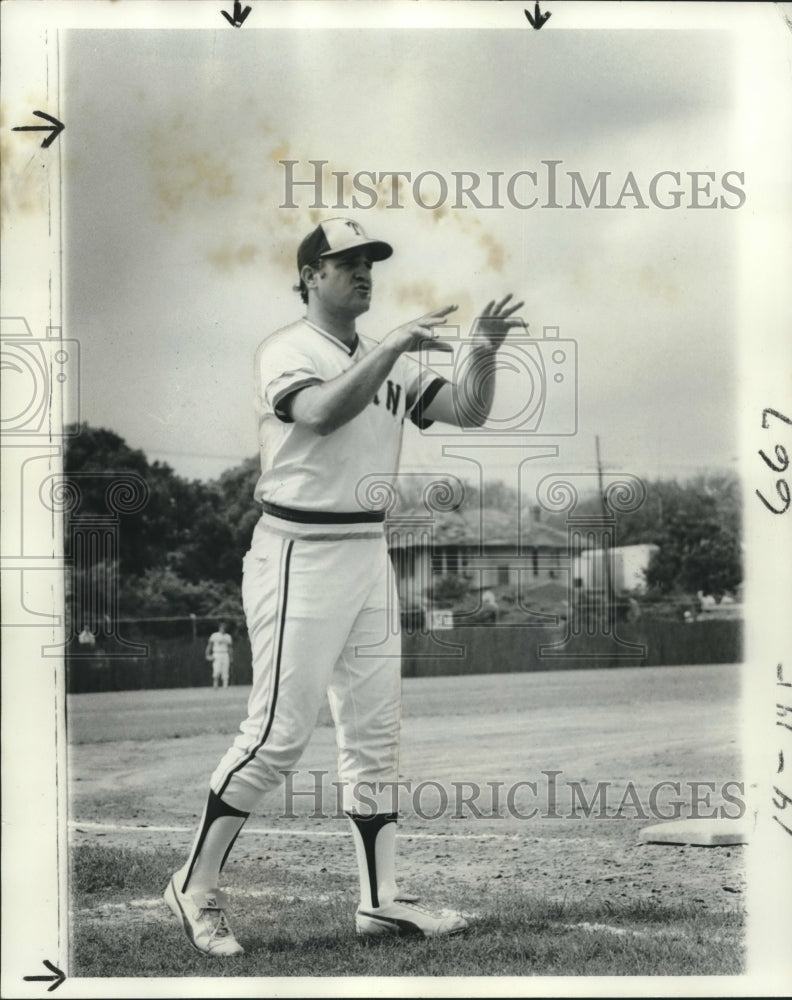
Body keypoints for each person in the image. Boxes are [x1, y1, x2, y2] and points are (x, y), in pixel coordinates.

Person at [164, 217, 525, 955]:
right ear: (308, 277)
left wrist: (481, 356)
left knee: (374, 740)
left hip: (366, 551)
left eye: (369, 262)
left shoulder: (380, 357)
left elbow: (469, 409)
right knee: (276, 736)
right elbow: (322, 412)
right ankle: (194, 887)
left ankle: (380, 903)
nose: (363, 272)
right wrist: (392, 344)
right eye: (345, 262)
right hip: (298, 550)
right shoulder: (287, 348)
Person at [205, 622, 234, 689]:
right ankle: (215, 685)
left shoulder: (228, 636)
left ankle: (225, 685)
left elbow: (230, 648)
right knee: (216, 669)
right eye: (222, 628)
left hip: (225, 653)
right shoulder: (214, 635)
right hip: (217, 654)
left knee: (225, 669)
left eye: (224, 628)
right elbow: (209, 645)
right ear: (220, 628)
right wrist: (207, 654)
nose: (223, 629)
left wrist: (231, 657)